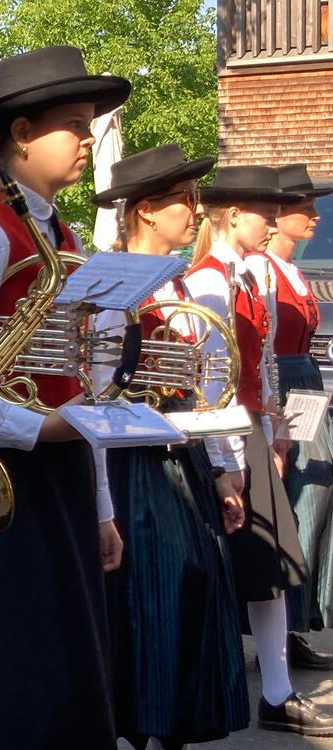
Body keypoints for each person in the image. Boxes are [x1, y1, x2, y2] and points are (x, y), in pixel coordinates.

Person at [0, 46, 130, 750]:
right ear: (21, 134)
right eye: (74, 125)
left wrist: (101, 504)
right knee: (15, 668)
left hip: (58, 469)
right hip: (5, 478)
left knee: (70, 662)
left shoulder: (61, 233)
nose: (87, 139)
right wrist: (38, 429)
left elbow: (78, 377)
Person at [90, 144, 250, 748]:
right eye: (184, 199)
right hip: (135, 466)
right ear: (148, 211)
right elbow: (95, 390)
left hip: (183, 453)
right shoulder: (114, 285)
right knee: (154, 595)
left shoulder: (179, 282)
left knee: (198, 586)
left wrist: (222, 467)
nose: (195, 210)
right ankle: (145, 728)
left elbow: (205, 386)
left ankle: (175, 728)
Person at [188, 165, 333, 736]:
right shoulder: (208, 279)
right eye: (264, 214)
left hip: (248, 427)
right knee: (238, 564)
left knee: (268, 563)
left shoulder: (247, 275)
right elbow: (210, 376)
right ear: (232, 215)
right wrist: (227, 455)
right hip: (225, 430)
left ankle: (276, 691)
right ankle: (244, 688)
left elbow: (262, 362)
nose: (273, 223)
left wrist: (272, 427)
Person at [246, 163, 333, 669]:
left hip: (304, 385)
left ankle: (300, 620)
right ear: (278, 216)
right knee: (298, 499)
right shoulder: (261, 270)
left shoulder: (292, 272)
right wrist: (275, 415)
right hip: (282, 385)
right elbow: (262, 350)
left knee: (315, 494)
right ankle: (283, 628)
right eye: (305, 207)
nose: (315, 216)